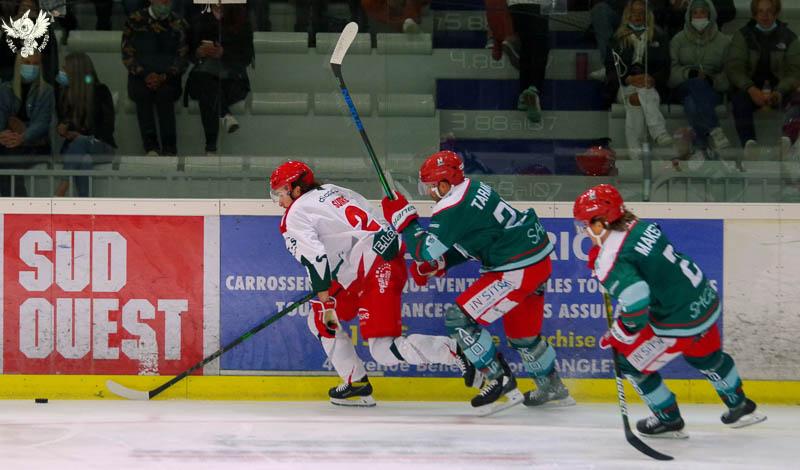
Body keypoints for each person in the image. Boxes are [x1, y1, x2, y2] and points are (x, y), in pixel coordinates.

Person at [270, 160, 478, 407]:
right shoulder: (332, 190)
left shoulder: (294, 215)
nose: (279, 201)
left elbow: (315, 259)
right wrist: (388, 236)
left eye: (281, 193)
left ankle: (455, 350)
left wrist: (325, 300)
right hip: (367, 266)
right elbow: (370, 213)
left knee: (382, 350)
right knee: (320, 320)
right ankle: (356, 382)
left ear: (296, 189)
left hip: (374, 269)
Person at [380, 150, 574, 414]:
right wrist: (443, 262)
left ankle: (499, 379)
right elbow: (478, 239)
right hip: (536, 261)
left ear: (444, 184)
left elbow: (424, 250)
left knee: (459, 319)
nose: (428, 193)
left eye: (430, 187)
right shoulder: (473, 188)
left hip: (515, 267)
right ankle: (551, 385)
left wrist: (403, 220)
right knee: (523, 335)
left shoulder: (451, 205)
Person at [573, 183, 766, 437]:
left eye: (586, 224)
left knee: (628, 363)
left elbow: (636, 300)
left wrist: (621, 333)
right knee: (706, 357)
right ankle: (740, 405)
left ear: (602, 222)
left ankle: (668, 419)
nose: (584, 231)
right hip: (703, 300)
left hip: (678, 320)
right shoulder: (638, 225)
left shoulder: (610, 256)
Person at [726, 0, 800, 160]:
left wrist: (779, 92)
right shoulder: (743, 35)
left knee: (797, 98)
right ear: (754, 14)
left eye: (769, 11)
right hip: (750, 88)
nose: (765, 16)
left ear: (776, 13)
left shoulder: (789, 37)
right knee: (739, 99)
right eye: (760, 11)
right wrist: (751, 89)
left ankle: (787, 141)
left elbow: (794, 71)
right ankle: (749, 144)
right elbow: (734, 68)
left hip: (780, 88)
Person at [606, 0, 673, 158]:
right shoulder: (617, 38)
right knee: (642, 92)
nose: (637, 16)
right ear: (627, 15)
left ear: (647, 15)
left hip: (650, 85)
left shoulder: (659, 36)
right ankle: (659, 132)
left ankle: (635, 155)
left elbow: (665, 68)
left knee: (636, 100)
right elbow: (610, 69)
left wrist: (652, 79)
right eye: (633, 13)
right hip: (624, 86)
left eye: (641, 13)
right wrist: (628, 79)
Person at [122, 0, 188, 156]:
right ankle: (151, 148)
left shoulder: (179, 23)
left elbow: (182, 57)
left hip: (169, 78)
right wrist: (145, 75)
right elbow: (127, 54)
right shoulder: (134, 20)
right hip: (140, 77)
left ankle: (169, 148)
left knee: (165, 94)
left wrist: (163, 76)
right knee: (142, 94)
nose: (165, 3)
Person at [185, 2, 253, 155]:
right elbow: (189, 52)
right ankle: (225, 115)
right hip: (205, 73)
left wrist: (223, 53)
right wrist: (199, 53)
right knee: (205, 82)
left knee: (206, 92)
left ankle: (210, 148)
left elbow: (246, 57)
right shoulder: (199, 17)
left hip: (232, 78)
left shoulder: (241, 19)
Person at [668, 0, 731, 161]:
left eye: (702, 12)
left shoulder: (724, 42)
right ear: (689, 16)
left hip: (712, 89)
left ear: (710, 15)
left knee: (691, 103)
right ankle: (714, 129)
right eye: (695, 13)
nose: (699, 16)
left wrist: (710, 79)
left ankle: (700, 147)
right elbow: (672, 74)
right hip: (683, 86)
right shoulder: (678, 40)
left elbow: (728, 75)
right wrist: (690, 73)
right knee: (695, 83)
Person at [55, 52, 116, 197]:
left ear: (75, 72)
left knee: (81, 141)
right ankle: (84, 203)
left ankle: (62, 188)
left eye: (65, 69)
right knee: (84, 159)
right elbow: (64, 122)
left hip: (101, 145)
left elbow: (108, 128)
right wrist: (63, 129)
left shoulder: (101, 91)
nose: (61, 72)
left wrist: (83, 136)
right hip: (74, 150)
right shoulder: (64, 94)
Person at [0, 51, 53, 197]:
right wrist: (1, 135)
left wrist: (22, 137)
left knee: (9, 158)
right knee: (7, 154)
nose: (32, 67)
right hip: (8, 142)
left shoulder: (46, 91)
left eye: (36, 64)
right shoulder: (5, 89)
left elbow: (42, 123)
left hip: (35, 145)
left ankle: (17, 203)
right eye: (27, 63)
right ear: (19, 64)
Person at [508, 0, 549, 123]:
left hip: (515, 5)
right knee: (539, 45)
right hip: (538, 4)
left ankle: (524, 92)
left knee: (526, 46)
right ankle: (534, 88)